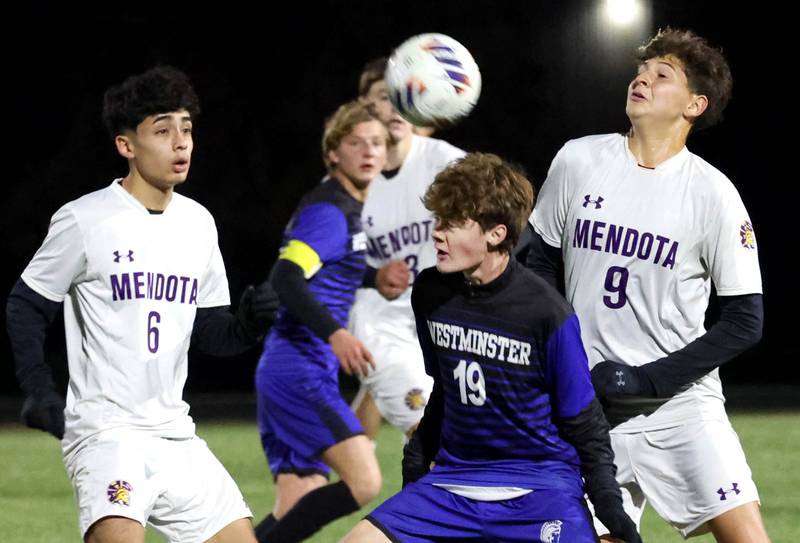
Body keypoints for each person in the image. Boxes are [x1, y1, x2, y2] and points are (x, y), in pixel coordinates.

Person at [5, 65, 279, 542]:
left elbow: (211, 334)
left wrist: (249, 324)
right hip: (107, 435)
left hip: (176, 433)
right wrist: (38, 386)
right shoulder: (85, 219)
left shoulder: (198, 223)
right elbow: (26, 305)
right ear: (126, 145)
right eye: (163, 129)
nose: (181, 142)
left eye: (187, 128)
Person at [526, 28, 770, 541]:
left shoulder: (713, 194)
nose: (643, 78)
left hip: (679, 406)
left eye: (664, 75)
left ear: (695, 105)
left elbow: (745, 322)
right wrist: (567, 353)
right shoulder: (578, 159)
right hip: (588, 407)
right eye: (643, 70)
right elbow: (539, 264)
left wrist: (647, 381)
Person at [342, 152, 641, 543]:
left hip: (540, 486)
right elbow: (445, 392)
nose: (437, 232)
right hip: (453, 483)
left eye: (452, 223)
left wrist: (610, 509)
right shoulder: (431, 293)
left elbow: (585, 423)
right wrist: (415, 469)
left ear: (496, 234)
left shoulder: (546, 312)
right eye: (437, 220)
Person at [253, 100, 388, 543]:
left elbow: (327, 265)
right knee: (365, 481)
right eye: (356, 143)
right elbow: (286, 277)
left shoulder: (343, 208)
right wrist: (336, 333)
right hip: (299, 370)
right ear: (333, 153)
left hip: (291, 368)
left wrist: (373, 276)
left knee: (298, 501)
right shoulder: (329, 211)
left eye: (377, 142)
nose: (369, 151)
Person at [349, 57, 466, 440]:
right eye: (386, 96)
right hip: (381, 323)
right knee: (431, 435)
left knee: (452, 435)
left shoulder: (445, 163)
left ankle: (345, 482)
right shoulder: (350, 182)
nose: (397, 105)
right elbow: (331, 262)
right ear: (367, 109)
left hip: (444, 320)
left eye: (406, 94)